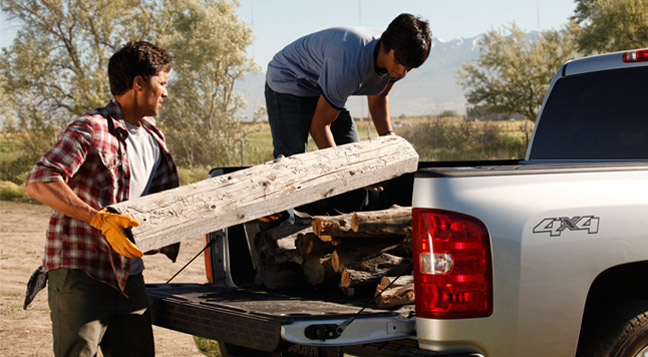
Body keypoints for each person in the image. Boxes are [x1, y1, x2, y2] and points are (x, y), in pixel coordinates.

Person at [24, 40, 179, 357]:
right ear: (138, 83)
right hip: (83, 273)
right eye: (161, 83)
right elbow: (40, 180)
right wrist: (98, 218)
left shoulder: (154, 137)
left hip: (129, 276)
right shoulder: (91, 129)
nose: (165, 93)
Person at [264, 13, 431, 216]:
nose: (403, 72)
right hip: (289, 80)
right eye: (399, 62)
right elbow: (320, 126)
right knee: (292, 165)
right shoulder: (350, 60)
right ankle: (279, 228)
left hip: (324, 86)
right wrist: (343, 174)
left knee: (353, 155)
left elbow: (378, 99)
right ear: (386, 47)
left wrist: (389, 140)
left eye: (410, 68)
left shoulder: (401, 58)